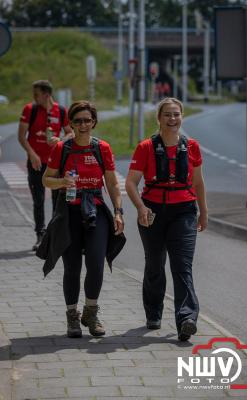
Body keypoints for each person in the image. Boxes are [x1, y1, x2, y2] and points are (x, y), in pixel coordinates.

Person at [125, 97, 208, 342]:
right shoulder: (146, 147)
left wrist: (203, 211)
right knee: (154, 265)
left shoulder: (191, 146)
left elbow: (198, 182)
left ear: (181, 116)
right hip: (152, 212)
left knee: (182, 266)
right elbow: (131, 182)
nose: (172, 119)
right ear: (159, 119)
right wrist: (140, 208)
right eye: (167, 115)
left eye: (176, 114)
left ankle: (187, 319)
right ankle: (153, 313)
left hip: (184, 211)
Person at [42, 100, 125, 338]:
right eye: (78, 121)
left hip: (95, 211)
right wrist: (62, 182)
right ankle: (72, 317)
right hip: (69, 212)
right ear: (70, 124)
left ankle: (91, 311)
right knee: (72, 267)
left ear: (94, 122)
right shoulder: (62, 149)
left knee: (97, 264)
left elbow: (112, 184)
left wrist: (119, 212)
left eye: (87, 120)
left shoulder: (102, 149)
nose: (83, 125)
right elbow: (46, 179)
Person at [18, 80, 73, 251]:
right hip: (36, 163)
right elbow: (21, 136)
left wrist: (61, 140)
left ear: (46, 94)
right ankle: (40, 235)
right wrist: (32, 154)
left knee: (58, 201)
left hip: (56, 165)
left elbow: (70, 132)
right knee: (38, 200)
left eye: (37, 94)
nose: (34, 98)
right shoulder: (30, 109)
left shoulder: (61, 110)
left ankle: (55, 235)